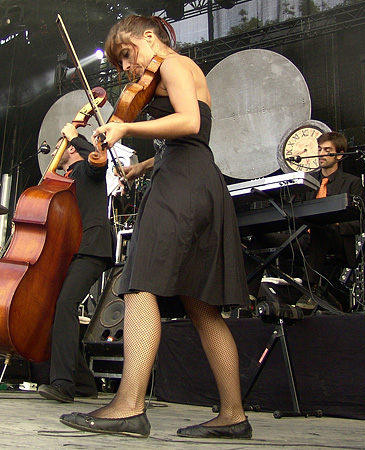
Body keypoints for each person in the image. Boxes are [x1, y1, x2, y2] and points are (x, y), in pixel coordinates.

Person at [58, 15, 251, 439]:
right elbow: (182, 141)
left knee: (139, 285)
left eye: (127, 55)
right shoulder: (163, 74)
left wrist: (125, 126)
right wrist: (142, 165)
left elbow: (190, 123)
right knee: (202, 308)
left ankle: (129, 405)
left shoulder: (174, 65)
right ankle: (234, 416)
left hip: (182, 185)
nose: (127, 68)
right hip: (191, 177)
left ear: (149, 37)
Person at [37, 125, 114, 403]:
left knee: (66, 305)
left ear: (71, 148)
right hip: (73, 251)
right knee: (60, 309)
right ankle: (83, 383)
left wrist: (76, 137)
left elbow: (97, 164)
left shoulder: (86, 170)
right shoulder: (66, 178)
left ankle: (63, 385)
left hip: (91, 249)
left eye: (62, 144)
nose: (56, 149)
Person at [301, 131, 364, 309]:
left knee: (321, 229)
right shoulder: (308, 181)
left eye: (327, 150)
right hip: (305, 237)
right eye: (319, 149)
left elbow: (361, 221)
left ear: (339, 155)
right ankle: (248, 299)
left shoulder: (352, 182)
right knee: (263, 239)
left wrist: (334, 222)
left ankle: (310, 292)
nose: (321, 154)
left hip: (337, 241)